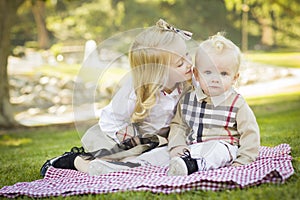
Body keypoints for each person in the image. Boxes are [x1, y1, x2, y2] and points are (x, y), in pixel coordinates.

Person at [40, 19, 193, 176]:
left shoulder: (185, 83)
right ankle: (75, 161)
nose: (189, 63)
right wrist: (127, 142)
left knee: (153, 158)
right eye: (180, 63)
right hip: (120, 136)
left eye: (187, 54)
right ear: (157, 73)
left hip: (156, 139)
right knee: (127, 161)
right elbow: (111, 120)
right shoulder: (134, 93)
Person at [167, 32, 260, 176]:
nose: (215, 79)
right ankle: (136, 165)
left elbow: (249, 132)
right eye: (208, 72)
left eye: (223, 74)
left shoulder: (236, 103)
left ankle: (191, 165)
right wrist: (177, 145)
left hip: (224, 148)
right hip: (192, 148)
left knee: (217, 149)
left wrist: (243, 159)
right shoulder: (187, 99)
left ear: (234, 78)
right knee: (162, 153)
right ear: (196, 75)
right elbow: (178, 125)